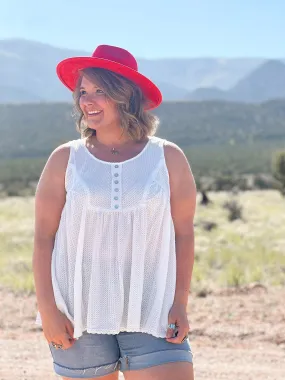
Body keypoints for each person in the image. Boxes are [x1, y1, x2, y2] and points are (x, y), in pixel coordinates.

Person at [33, 44, 196, 380]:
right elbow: (43, 237)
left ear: (127, 97)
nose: (87, 101)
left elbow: (184, 233)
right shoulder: (66, 159)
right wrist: (48, 310)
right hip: (79, 316)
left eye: (100, 91)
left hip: (153, 310)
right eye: (83, 92)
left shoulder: (168, 158)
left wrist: (180, 302)